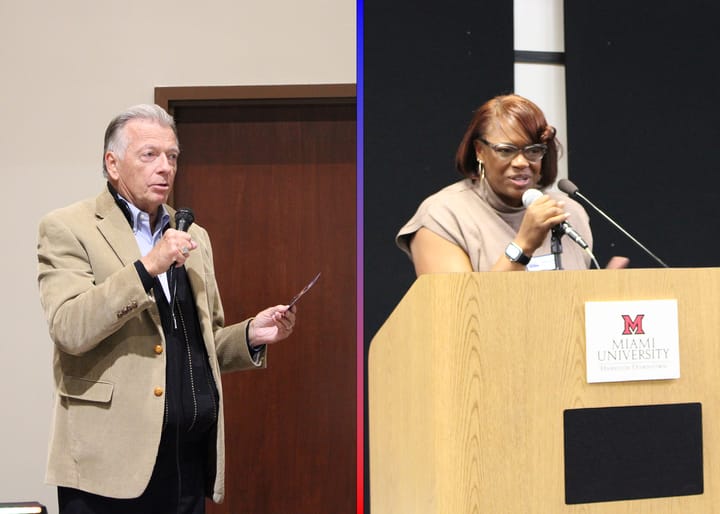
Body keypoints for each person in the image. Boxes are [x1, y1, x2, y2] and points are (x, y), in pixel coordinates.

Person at [37, 104, 297, 514]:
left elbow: (201, 343)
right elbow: (70, 328)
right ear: (113, 163)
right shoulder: (69, 227)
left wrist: (250, 335)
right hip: (107, 465)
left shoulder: (193, 234)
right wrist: (146, 269)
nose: (165, 168)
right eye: (150, 155)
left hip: (185, 461)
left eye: (172, 156)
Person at [397, 93, 628, 274]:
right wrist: (524, 244)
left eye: (533, 151)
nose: (521, 162)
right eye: (506, 151)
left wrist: (599, 300)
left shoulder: (569, 214)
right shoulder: (442, 217)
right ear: (479, 151)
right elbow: (459, 317)